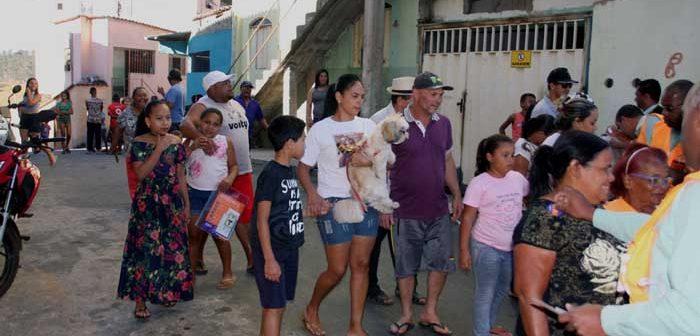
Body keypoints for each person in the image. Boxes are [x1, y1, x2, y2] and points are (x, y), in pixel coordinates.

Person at [552, 82, 700, 336]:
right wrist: (593, 214)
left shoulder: (695, 197)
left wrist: (606, 320)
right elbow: (657, 232)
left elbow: (690, 315)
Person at [513, 131, 625, 336]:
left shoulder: (597, 212)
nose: (611, 177)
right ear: (575, 168)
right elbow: (529, 297)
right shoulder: (547, 216)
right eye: (605, 169)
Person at [298, 74, 377, 336]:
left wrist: (368, 163)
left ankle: (355, 326)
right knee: (337, 269)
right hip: (332, 203)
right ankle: (312, 308)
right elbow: (303, 168)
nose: (359, 101)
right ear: (339, 96)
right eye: (354, 96)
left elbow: (388, 161)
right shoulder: (320, 129)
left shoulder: (368, 126)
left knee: (362, 265)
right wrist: (312, 194)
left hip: (364, 202)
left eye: (362, 96)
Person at [384, 72, 463, 336]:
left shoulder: (444, 124)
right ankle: (406, 314)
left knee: (440, 263)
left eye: (440, 95)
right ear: (415, 94)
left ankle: (430, 311)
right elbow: (380, 166)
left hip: (438, 209)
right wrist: (384, 205)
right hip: (404, 210)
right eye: (432, 94)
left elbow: (448, 160)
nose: (437, 100)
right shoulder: (394, 125)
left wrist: (456, 193)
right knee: (406, 265)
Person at [116, 100, 192, 319]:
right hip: (147, 204)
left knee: (172, 249)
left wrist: (186, 205)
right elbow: (141, 174)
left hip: (172, 203)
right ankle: (140, 302)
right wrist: (159, 148)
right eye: (159, 118)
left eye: (168, 117)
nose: (165, 123)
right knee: (146, 250)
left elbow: (180, 176)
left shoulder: (176, 142)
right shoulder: (139, 143)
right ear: (148, 121)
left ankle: (167, 292)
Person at [181, 70, 255, 274]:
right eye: (225, 83)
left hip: (242, 170)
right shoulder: (203, 105)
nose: (230, 85)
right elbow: (185, 124)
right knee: (210, 220)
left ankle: (251, 259)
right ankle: (200, 260)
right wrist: (202, 139)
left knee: (244, 216)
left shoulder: (236, 103)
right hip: (218, 176)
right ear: (212, 88)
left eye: (229, 82)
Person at [459, 134, 528, 336]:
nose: (511, 160)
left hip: (511, 248)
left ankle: (487, 326)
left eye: (512, 155)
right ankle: (481, 332)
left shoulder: (517, 179)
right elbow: (468, 218)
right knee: (485, 292)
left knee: (501, 290)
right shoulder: (480, 183)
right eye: (505, 155)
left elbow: (531, 196)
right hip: (486, 245)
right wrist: (464, 250)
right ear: (490, 157)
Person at [366, 75, 421, 307]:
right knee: (376, 242)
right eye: (412, 99)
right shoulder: (378, 121)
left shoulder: (417, 120)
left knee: (408, 242)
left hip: (408, 192)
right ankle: (371, 287)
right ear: (401, 100)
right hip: (384, 193)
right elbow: (375, 165)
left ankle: (407, 288)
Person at [250, 115, 306, 336]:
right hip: (272, 250)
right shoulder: (271, 174)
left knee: (278, 305)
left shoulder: (288, 170)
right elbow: (261, 218)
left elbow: (284, 208)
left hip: (288, 247)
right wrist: (269, 260)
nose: (305, 144)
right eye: (303, 139)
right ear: (289, 143)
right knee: (273, 307)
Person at [185, 108, 239, 290]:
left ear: (220, 127)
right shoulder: (190, 141)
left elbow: (234, 167)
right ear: (199, 122)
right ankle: (190, 276)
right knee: (193, 236)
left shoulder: (225, 142)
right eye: (207, 122)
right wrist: (192, 147)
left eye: (216, 124)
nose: (210, 127)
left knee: (220, 237)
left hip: (218, 196)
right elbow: (178, 161)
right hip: (195, 194)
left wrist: (230, 179)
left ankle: (227, 272)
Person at [637, 80, 693, 183]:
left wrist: (682, 176)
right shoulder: (651, 125)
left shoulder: (695, 138)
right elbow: (637, 162)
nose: (664, 113)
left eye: (669, 108)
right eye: (663, 107)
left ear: (689, 107)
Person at [606, 143, 670, 214]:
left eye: (665, 180)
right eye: (654, 180)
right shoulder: (609, 214)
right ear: (628, 181)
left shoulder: (665, 215)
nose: (663, 187)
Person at [114, 87, 149, 199]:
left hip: (150, 153)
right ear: (133, 98)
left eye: (145, 95)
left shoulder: (151, 111)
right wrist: (114, 146)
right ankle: (137, 204)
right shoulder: (126, 113)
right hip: (132, 154)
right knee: (134, 181)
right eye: (139, 95)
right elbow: (118, 130)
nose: (143, 98)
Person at [234, 80, 269, 148]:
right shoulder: (234, 101)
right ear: (241, 89)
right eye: (245, 87)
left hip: (248, 135)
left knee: (246, 156)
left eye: (249, 88)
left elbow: (261, 118)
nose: (248, 89)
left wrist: (269, 130)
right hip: (235, 133)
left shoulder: (255, 104)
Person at [18, 77, 42, 142]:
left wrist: (28, 91)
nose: (33, 85)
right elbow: (20, 106)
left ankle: (50, 152)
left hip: (34, 118)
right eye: (31, 83)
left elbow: (31, 103)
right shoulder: (25, 97)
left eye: (35, 83)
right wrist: (20, 115)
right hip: (24, 118)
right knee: (24, 142)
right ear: (28, 84)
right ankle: (24, 152)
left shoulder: (38, 95)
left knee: (35, 141)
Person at [85, 87, 104, 154]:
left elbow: (87, 108)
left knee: (90, 134)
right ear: (95, 92)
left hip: (90, 119)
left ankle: (90, 148)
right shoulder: (100, 100)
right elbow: (101, 109)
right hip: (97, 119)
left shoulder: (87, 100)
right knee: (97, 134)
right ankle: (98, 147)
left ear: (90, 92)